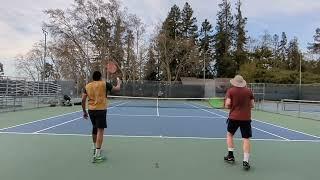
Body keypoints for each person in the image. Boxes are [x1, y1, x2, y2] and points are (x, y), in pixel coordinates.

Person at [82, 71, 121, 163]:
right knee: (100, 130)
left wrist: (84, 111)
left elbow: (83, 100)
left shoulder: (87, 86)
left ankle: (94, 146)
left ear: (93, 78)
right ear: (100, 77)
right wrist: (119, 82)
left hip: (91, 110)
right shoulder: (104, 84)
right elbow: (117, 89)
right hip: (101, 110)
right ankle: (97, 155)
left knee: (94, 128)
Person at [224, 75, 254, 170]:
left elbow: (228, 104)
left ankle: (230, 156)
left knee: (230, 135)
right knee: (246, 139)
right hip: (246, 119)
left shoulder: (231, 91)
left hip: (233, 118)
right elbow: (252, 105)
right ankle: (245, 161)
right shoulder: (249, 91)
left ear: (234, 82)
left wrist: (230, 106)